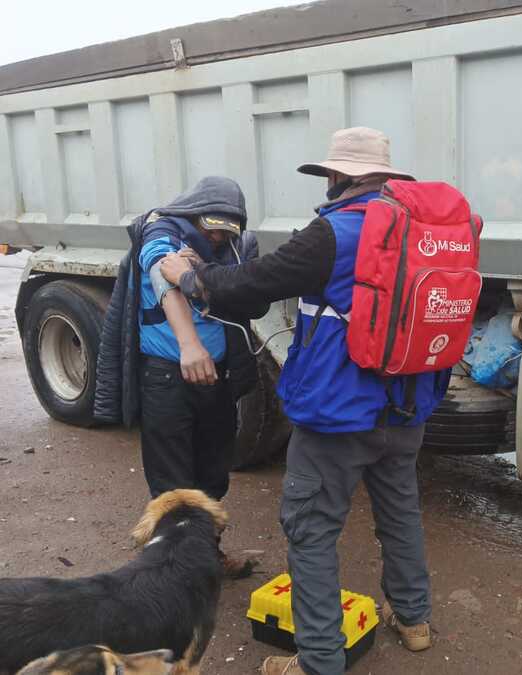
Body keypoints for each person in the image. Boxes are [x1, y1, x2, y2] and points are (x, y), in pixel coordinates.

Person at [160, 128, 448, 675]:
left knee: (311, 530)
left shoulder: (333, 232)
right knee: (399, 511)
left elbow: (249, 284)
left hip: (339, 413)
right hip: (407, 403)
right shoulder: (421, 227)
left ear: (337, 175)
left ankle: (318, 661)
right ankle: (414, 622)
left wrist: (189, 275)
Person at [95, 176, 269, 578]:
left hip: (218, 377)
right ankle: (172, 572)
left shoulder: (234, 248)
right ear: (193, 212)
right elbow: (164, 280)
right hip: (167, 378)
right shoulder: (162, 231)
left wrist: (204, 271)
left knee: (213, 474)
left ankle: (206, 555)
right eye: (211, 226)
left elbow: (250, 298)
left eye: (226, 230)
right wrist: (189, 345)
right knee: (172, 484)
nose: (216, 236)